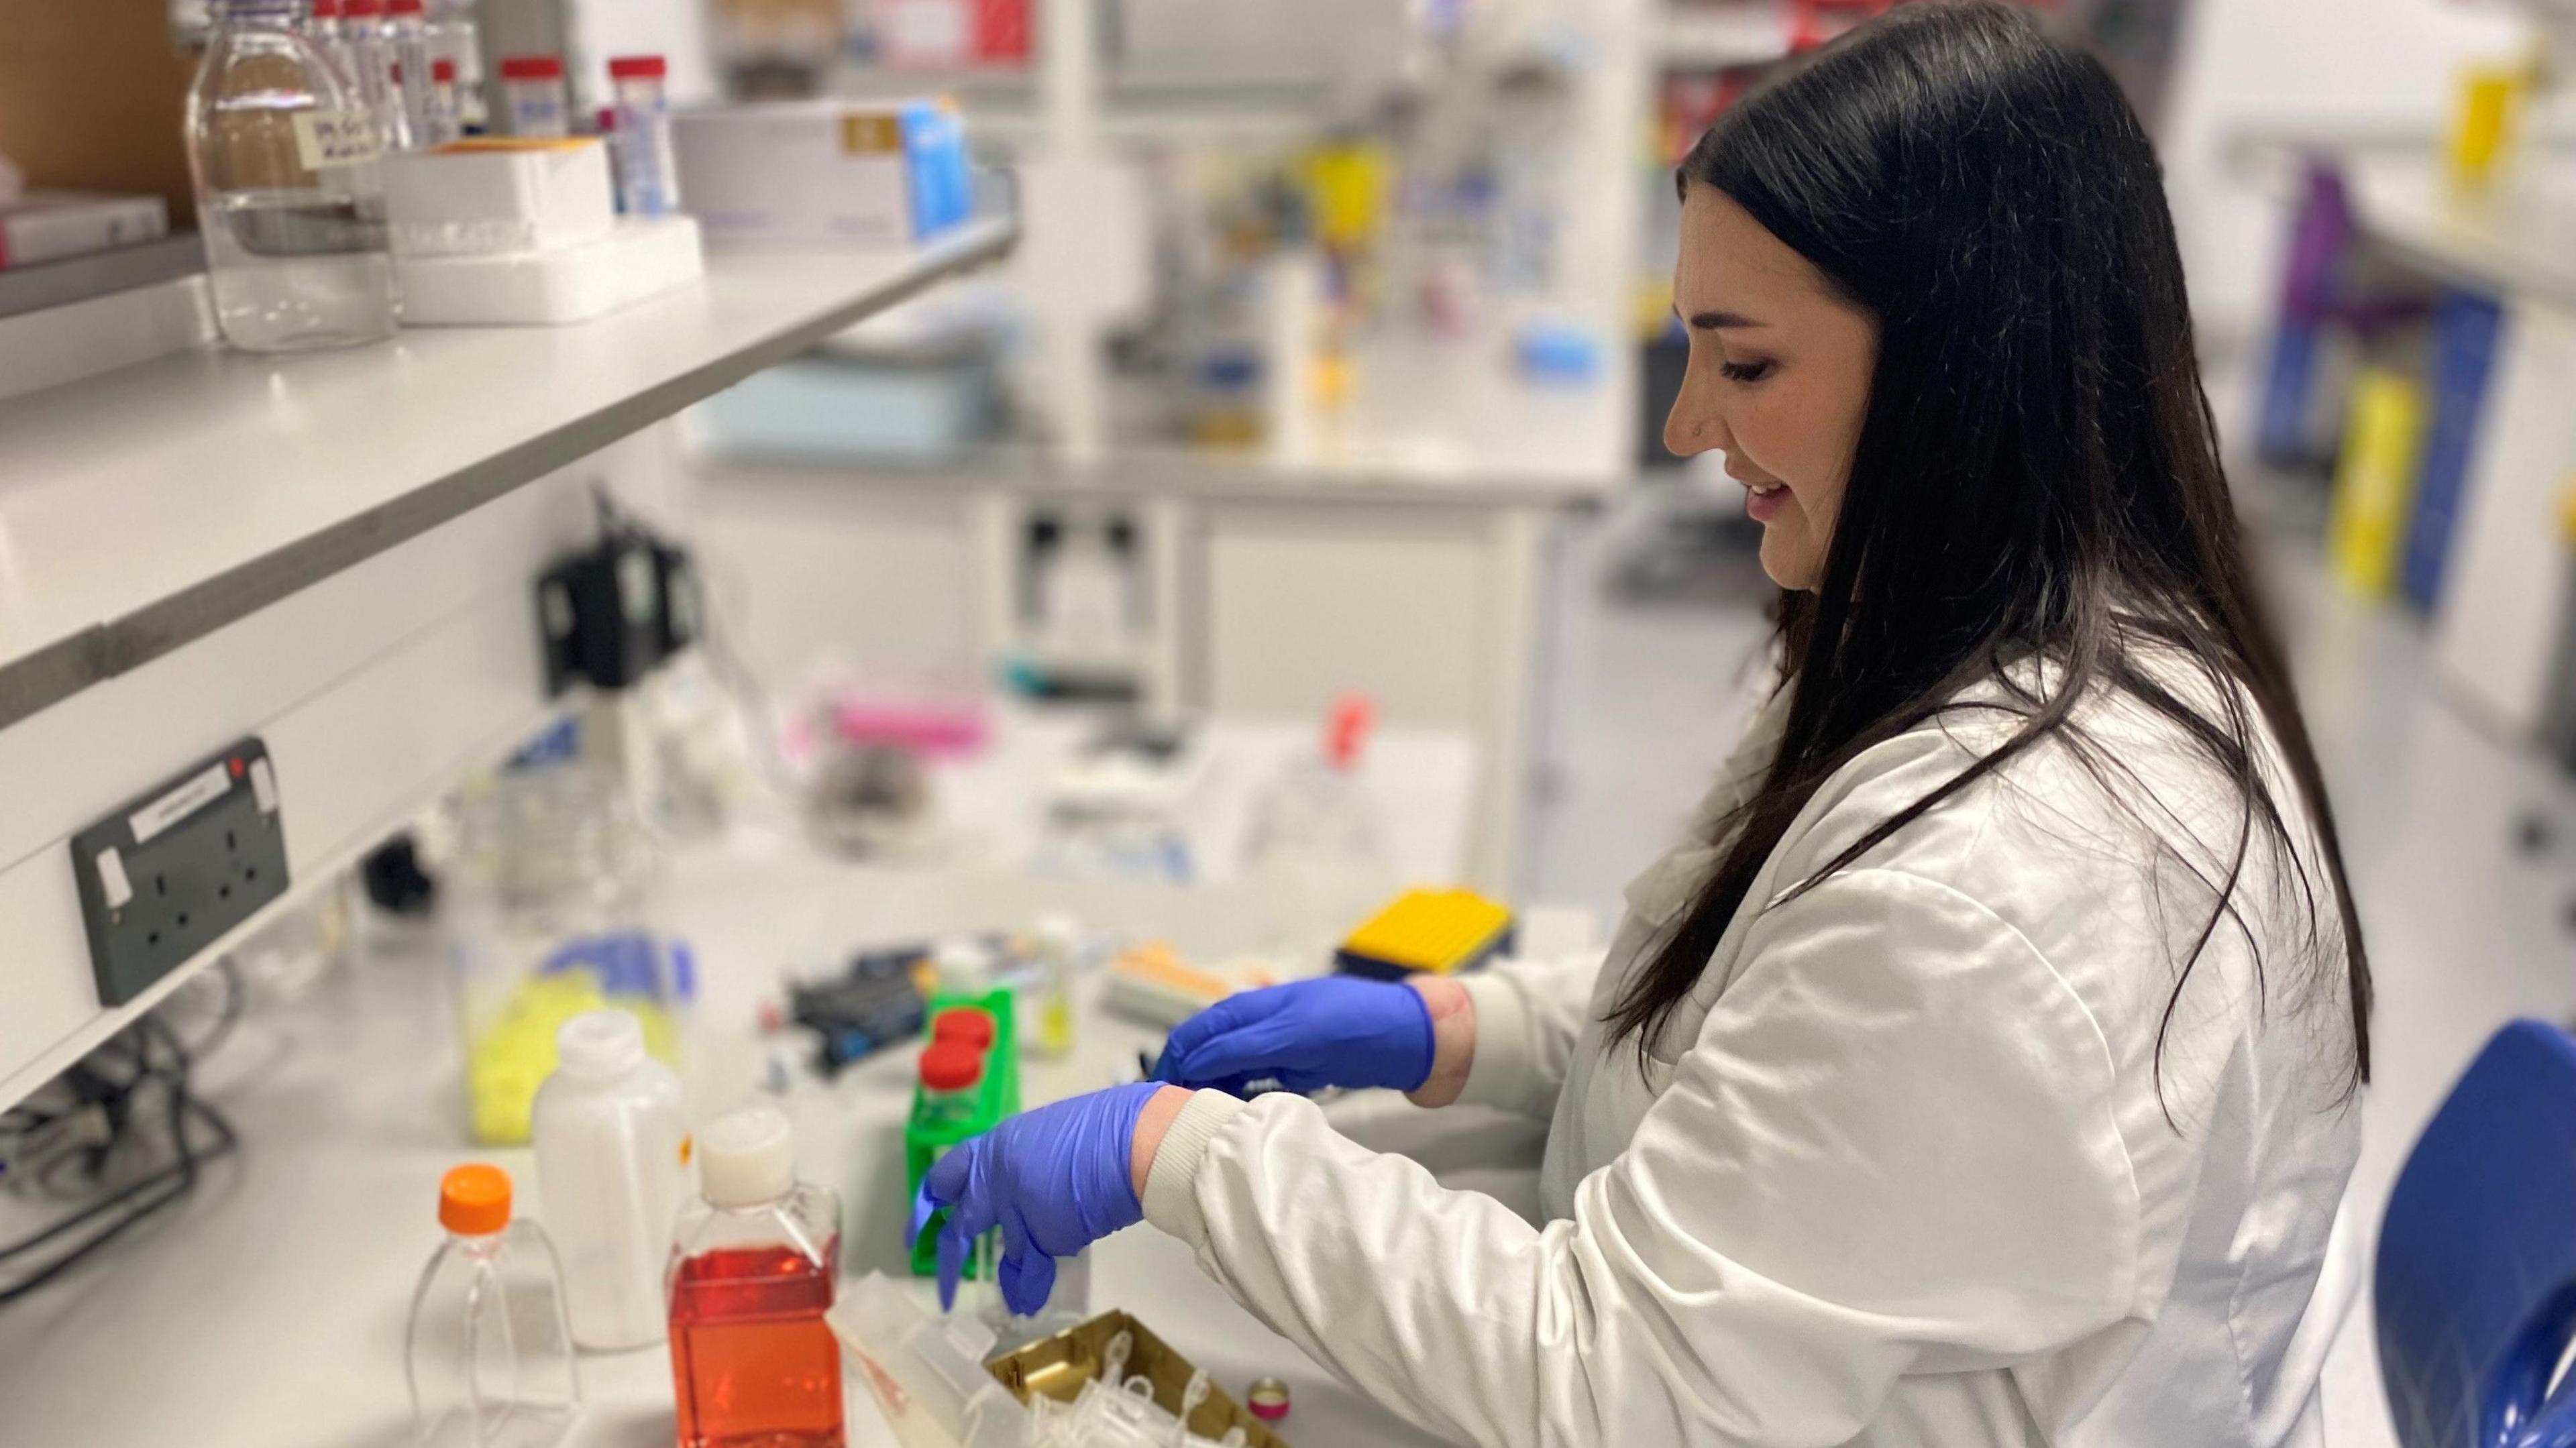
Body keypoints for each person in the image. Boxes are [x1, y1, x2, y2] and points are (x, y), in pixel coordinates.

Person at [920, 4, 2372, 1443]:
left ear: (1962, 372)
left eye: (1744, 365)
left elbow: (1631, 1388)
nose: (1685, 427)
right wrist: (1451, 1024)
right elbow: (1759, 1021)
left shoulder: (2007, 883)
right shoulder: (1971, 638)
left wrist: (1180, 1156)